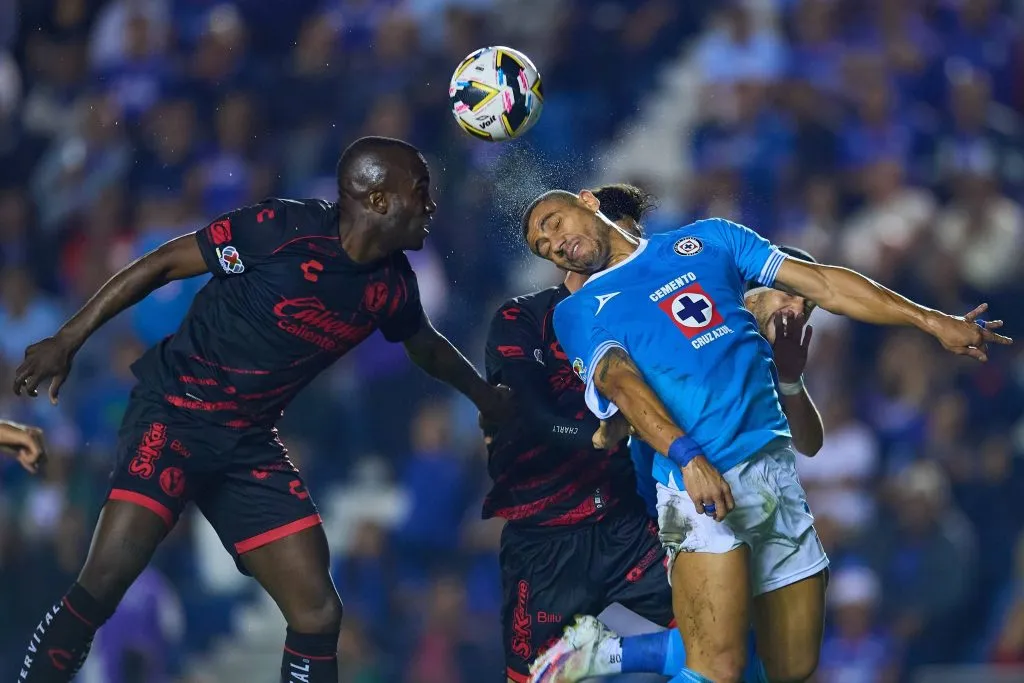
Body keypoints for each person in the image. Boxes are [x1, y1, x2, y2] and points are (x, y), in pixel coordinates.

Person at [10, 136, 510, 683]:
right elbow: (162, 264)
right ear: (379, 200)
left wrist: (485, 397)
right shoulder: (282, 230)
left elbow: (426, 346)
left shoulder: (392, 287)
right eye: (421, 193)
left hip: (246, 444)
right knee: (103, 581)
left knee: (318, 611)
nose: (431, 207)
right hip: (174, 413)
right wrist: (68, 337)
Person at [520, 188, 1011, 683]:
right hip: (694, 485)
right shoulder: (577, 311)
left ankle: (611, 653)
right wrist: (686, 456)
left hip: (774, 478)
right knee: (719, 668)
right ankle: (614, 655)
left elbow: (825, 285)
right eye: (543, 246)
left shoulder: (711, 241)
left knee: (788, 668)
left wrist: (932, 320)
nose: (555, 244)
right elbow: (617, 381)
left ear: (587, 201)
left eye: (555, 224)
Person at [489, 184, 825, 683]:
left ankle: (609, 655)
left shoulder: (733, 336)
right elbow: (530, 413)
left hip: (638, 517)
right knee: (719, 658)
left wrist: (791, 377)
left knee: (739, 655)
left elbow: (808, 442)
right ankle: (603, 656)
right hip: (551, 529)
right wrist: (601, 433)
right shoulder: (537, 317)